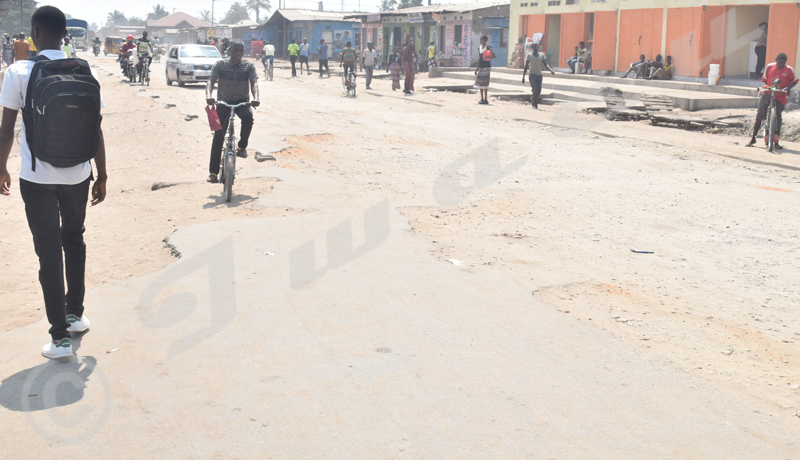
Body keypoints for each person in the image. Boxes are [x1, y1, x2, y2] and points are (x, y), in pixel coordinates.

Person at [0, 5, 107, 359]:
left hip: (36, 176)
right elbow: (97, 128)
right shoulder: (83, 70)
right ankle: (75, 316)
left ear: (34, 32)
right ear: (65, 35)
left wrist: (1, 167)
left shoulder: (17, 72)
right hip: (79, 173)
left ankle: (59, 339)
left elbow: (5, 129)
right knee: (74, 239)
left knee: (48, 252)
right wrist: (101, 174)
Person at [206, 40, 259, 183]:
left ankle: (242, 147)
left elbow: (254, 82)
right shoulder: (220, 64)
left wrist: (256, 98)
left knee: (248, 117)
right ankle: (213, 173)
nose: (238, 53)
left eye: (241, 51)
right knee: (218, 136)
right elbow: (211, 80)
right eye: (235, 50)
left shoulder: (248, 66)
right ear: (230, 50)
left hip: (242, 102)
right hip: (223, 102)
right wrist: (209, 96)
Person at [747, 53, 798, 150]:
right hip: (767, 93)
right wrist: (768, 89)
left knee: (778, 117)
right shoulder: (770, 67)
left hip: (781, 95)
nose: (781, 64)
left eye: (783, 63)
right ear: (776, 60)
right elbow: (765, 80)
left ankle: (776, 142)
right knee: (759, 116)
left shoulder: (789, 70)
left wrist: (789, 88)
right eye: (779, 62)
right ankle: (753, 138)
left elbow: (796, 80)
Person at [521, 43, 554, 109]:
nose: (536, 47)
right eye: (535, 46)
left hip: (539, 75)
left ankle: (533, 98)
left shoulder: (541, 55)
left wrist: (551, 70)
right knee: (535, 88)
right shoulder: (529, 55)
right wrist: (523, 76)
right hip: (532, 75)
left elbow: (545, 64)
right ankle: (535, 103)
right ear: (532, 47)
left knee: (539, 90)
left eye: (537, 46)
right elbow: (526, 66)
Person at [474, 35, 495, 104]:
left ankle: (486, 99)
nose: (480, 41)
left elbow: (494, 55)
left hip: (486, 67)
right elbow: (479, 59)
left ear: (485, 40)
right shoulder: (479, 48)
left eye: (481, 39)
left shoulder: (488, 47)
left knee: (485, 84)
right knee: (480, 84)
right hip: (481, 68)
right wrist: (477, 69)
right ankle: (482, 98)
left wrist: (487, 57)